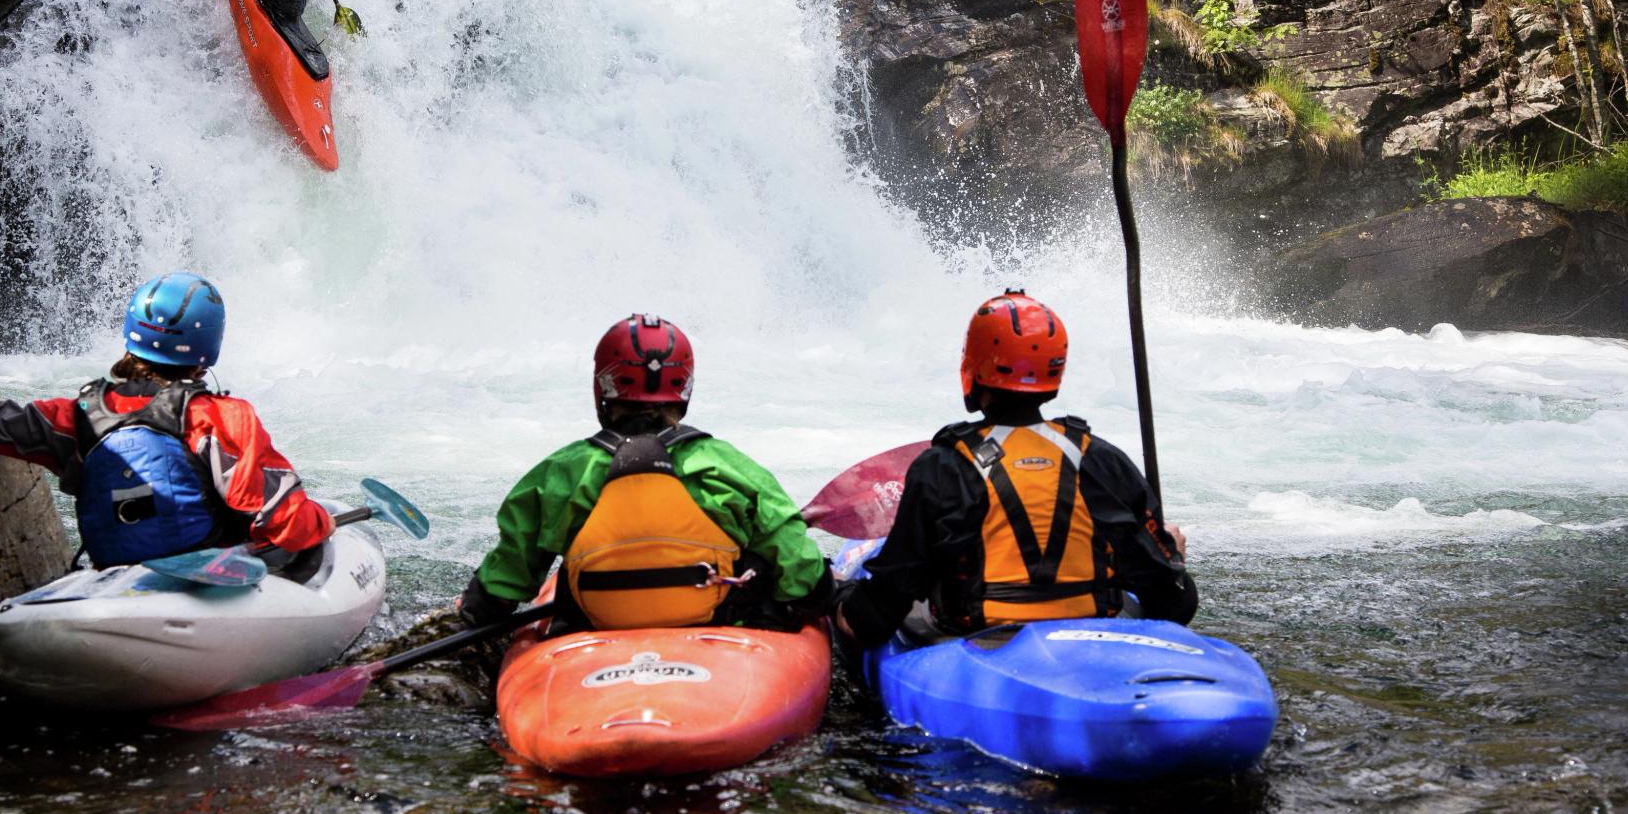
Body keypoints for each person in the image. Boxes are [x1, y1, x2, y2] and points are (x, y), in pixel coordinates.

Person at [835, 289, 1195, 648]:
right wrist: (1172, 555)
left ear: (973, 366)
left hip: (974, 639)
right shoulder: (1102, 460)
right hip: (1091, 631)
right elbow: (1175, 604)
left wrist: (837, 596)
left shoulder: (943, 467)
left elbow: (884, 606)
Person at [458, 314, 834, 632]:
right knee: (761, 560)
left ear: (603, 386)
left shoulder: (561, 472)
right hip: (717, 624)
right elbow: (800, 574)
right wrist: (825, 596)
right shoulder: (727, 466)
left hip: (595, 627)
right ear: (684, 388)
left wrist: (474, 611)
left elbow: (506, 582)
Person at [0, 271, 334, 571]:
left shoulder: (78, 416)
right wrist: (322, 523)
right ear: (208, 348)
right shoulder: (222, 417)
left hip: (113, 572)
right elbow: (282, 519)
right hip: (210, 575)